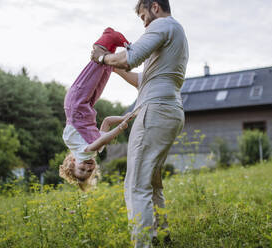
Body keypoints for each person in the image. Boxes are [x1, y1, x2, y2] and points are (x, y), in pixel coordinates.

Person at [91, 0, 189, 247]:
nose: (144, 24)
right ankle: (161, 237)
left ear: (155, 6)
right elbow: (141, 79)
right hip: (169, 111)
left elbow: (130, 58)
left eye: (144, 16)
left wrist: (103, 57)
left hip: (154, 112)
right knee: (152, 180)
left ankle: (143, 243)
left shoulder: (162, 25)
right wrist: (112, 68)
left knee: (136, 185)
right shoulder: (175, 34)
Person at [60, 28, 133, 191]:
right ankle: (111, 48)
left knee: (95, 68)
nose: (87, 167)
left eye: (81, 169)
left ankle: (107, 38)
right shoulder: (95, 148)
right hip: (86, 105)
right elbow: (107, 122)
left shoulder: (84, 152)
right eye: (89, 171)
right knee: (105, 71)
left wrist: (121, 128)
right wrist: (122, 118)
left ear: (73, 162)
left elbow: (102, 140)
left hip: (75, 103)